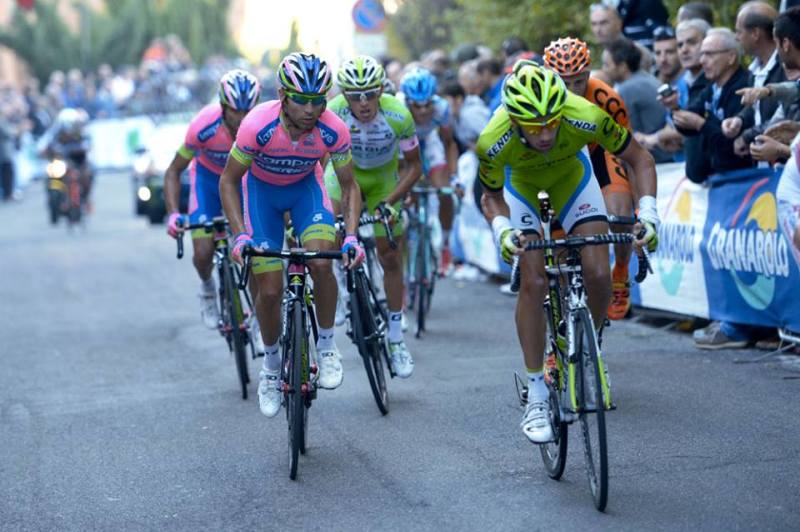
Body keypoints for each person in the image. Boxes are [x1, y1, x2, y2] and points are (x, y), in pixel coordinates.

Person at [476, 61, 659, 442]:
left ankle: (588, 346)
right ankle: (537, 393)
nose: (544, 134)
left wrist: (650, 213)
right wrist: (503, 229)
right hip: (521, 188)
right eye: (533, 125)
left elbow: (639, 158)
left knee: (596, 269)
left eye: (552, 122)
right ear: (513, 121)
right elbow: (490, 197)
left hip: (572, 180)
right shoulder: (493, 138)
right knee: (535, 280)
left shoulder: (584, 114)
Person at [218, 53, 365, 418]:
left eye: (319, 100)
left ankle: (327, 346)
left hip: (305, 193)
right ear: (283, 95)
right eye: (302, 99)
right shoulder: (257, 125)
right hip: (262, 198)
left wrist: (350, 236)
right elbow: (229, 180)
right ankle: (270, 368)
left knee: (321, 262)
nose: (311, 109)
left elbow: (349, 186)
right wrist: (239, 235)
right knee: (268, 290)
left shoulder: (334, 128)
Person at [325, 55, 423, 378]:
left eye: (370, 93)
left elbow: (414, 167)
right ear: (344, 95)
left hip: (382, 180)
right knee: (329, 231)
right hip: (343, 175)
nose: (364, 103)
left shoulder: (398, 114)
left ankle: (395, 339)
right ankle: (339, 280)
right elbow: (318, 157)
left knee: (389, 255)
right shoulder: (332, 112)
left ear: (382, 90)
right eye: (355, 95)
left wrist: (392, 201)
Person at [543, 37, 637, 320]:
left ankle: (620, 268)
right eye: (564, 82)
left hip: (600, 154)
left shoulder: (607, 98)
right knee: (556, 250)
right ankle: (558, 334)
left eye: (579, 81)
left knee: (620, 212)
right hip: (558, 163)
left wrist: (641, 210)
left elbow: (632, 155)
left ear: (589, 73)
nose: (572, 90)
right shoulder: (537, 99)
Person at [163, 70, 262, 332]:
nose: (241, 119)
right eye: (234, 111)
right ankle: (208, 288)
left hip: (241, 183)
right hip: (207, 182)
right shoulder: (203, 126)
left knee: (252, 252)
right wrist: (173, 213)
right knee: (204, 251)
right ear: (222, 106)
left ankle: (261, 313)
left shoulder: (262, 124)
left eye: (247, 111)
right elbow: (173, 171)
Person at [673, 28, 754, 184]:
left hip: (742, 181)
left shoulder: (744, 88)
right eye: (702, 54)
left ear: (731, 57)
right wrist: (675, 110)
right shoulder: (711, 87)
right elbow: (688, 123)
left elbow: (732, 147)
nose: (702, 60)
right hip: (718, 180)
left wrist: (701, 124)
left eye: (709, 54)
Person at [399, 67, 459, 275]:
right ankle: (405, 267)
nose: (424, 111)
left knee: (444, 192)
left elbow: (449, 142)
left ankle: (444, 244)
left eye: (427, 105)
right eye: (417, 105)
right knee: (405, 197)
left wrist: (454, 177)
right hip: (403, 147)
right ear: (408, 101)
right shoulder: (398, 108)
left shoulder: (442, 108)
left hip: (430, 143)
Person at [722, 1, 784, 161]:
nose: (736, 37)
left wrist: (748, 136)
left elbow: (785, 115)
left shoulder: (788, 66)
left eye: (738, 31)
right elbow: (755, 108)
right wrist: (739, 120)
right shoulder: (753, 69)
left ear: (755, 33)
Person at [602, 37, 671, 162]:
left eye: (607, 64)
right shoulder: (645, 78)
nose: (604, 69)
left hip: (660, 162)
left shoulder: (627, 89)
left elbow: (626, 140)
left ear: (622, 66)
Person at [37, 107, 93, 203]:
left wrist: (84, 149)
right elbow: (44, 143)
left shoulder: (81, 131)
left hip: (77, 161)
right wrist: (43, 151)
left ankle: (85, 198)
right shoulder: (55, 131)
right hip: (60, 161)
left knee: (88, 173)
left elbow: (87, 143)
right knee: (50, 175)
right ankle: (53, 199)